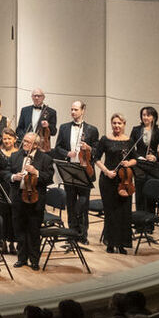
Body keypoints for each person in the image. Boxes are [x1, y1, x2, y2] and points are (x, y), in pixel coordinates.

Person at [2, 129, 50, 269]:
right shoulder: (15, 156)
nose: (24, 144)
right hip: (18, 198)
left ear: (35, 145)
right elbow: (6, 172)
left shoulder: (45, 158)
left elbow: (48, 178)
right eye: (24, 141)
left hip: (36, 199)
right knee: (19, 230)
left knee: (34, 231)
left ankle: (34, 260)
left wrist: (36, 172)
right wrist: (13, 177)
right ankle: (21, 258)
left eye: (28, 142)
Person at [97, 113, 140, 255]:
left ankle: (122, 244)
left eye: (119, 123)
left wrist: (129, 163)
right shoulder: (105, 139)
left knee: (124, 212)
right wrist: (106, 171)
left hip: (125, 180)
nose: (116, 125)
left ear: (124, 124)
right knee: (110, 212)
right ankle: (110, 243)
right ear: (111, 124)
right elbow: (96, 158)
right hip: (108, 179)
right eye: (114, 123)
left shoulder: (130, 140)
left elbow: (135, 159)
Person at [56, 100, 101, 235]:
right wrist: (67, 153)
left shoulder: (92, 130)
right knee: (70, 202)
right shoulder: (64, 127)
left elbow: (97, 151)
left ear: (83, 111)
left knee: (83, 203)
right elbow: (57, 148)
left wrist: (89, 148)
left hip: (85, 169)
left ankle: (82, 234)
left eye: (76, 109)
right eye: (72, 109)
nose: (73, 112)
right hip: (69, 168)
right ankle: (72, 232)